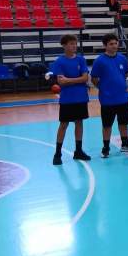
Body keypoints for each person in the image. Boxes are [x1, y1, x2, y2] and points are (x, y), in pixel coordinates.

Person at [90, 33, 128, 158]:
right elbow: (94, 78)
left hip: (123, 98)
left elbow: (126, 73)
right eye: (111, 44)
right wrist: (103, 88)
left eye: (116, 43)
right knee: (107, 125)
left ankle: (125, 144)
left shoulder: (122, 58)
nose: (114, 46)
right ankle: (106, 147)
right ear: (105, 45)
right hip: (107, 100)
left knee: (124, 122)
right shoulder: (99, 61)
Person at [50, 34, 91, 165]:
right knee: (63, 125)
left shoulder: (81, 60)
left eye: (75, 43)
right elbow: (61, 82)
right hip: (67, 99)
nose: (74, 46)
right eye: (71, 44)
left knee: (79, 123)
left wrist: (69, 80)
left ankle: (78, 151)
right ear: (64, 45)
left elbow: (85, 78)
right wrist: (77, 80)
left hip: (81, 97)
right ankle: (57, 154)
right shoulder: (59, 61)